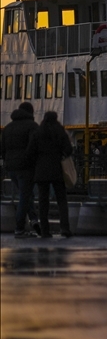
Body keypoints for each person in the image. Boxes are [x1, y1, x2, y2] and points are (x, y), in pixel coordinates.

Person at [25, 111, 74, 238]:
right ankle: (65, 228)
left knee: (43, 201)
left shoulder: (38, 133)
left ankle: (45, 230)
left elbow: (30, 152)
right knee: (62, 200)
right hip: (57, 169)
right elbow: (69, 149)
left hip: (41, 170)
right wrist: (60, 155)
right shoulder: (60, 131)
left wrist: (37, 161)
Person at [1, 102, 39, 238]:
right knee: (25, 196)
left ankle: (34, 220)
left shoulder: (8, 128)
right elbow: (34, 146)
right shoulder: (32, 126)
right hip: (26, 167)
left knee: (26, 194)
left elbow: (2, 149)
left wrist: (8, 162)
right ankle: (19, 228)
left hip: (11, 168)